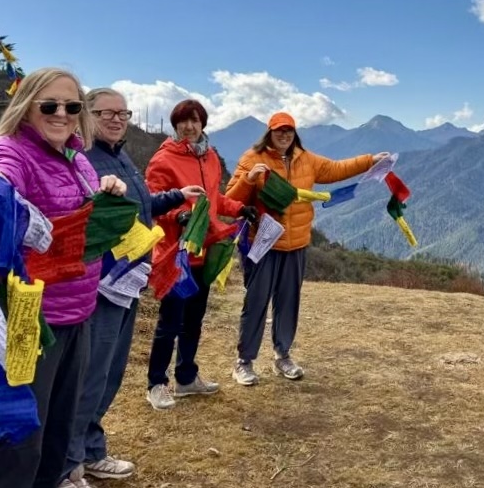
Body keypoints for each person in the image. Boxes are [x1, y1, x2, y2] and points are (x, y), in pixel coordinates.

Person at [0, 68, 127, 488]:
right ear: (26, 106)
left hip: (74, 318)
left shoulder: (78, 159)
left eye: (72, 106)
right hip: (19, 325)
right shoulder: (11, 149)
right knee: (14, 452)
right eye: (49, 105)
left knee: (54, 443)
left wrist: (105, 188)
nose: (62, 114)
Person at [60, 89, 205, 485]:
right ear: (84, 114)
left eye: (123, 112)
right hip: (99, 285)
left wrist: (177, 197)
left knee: (109, 374)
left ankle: (90, 452)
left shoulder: (118, 154)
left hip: (128, 281)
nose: (117, 119)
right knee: (89, 375)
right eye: (107, 112)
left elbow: (139, 206)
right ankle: (66, 466)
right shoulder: (82, 158)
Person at [225, 111, 389, 385]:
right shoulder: (252, 159)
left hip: (296, 244)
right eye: (278, 130)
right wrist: (249, 179)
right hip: (263, 244)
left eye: (288, 130)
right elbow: (230, 200)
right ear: (270, 133)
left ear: (294, 133)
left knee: (288, 302)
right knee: (256, 302)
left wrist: (370, 161)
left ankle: (283, 356)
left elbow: (337, 169)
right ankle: (244, 362)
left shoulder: (306, 159)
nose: (284, 135)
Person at [144, 99, 257, 410]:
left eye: (194, 121)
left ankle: (186, 377)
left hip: (203, 252)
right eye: (183, 121)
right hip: (175, 254)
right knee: (170, 322)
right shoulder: (163, 159)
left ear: (203, 124)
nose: (189, 127)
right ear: (175, 125)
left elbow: (215, 197)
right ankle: (156, 383)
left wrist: (237, 208)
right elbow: (152, 200)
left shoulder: (209, 157)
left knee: (193, 320)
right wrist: (178, 214)